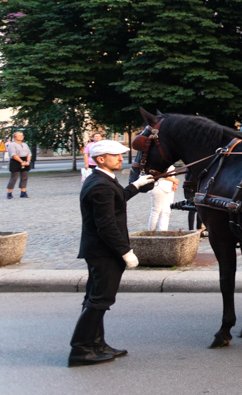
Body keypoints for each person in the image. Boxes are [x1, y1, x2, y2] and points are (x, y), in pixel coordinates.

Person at [69, 140, 154, 367]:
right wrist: (125, 251)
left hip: (100, 250)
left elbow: (116, 200)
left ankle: (97, 344)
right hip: (103, 251)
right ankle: (80, 349)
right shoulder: (100, 184)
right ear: (100, 159)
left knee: (97, 298)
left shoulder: (103, 180)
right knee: (100, 300)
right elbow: (105, 225)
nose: (120, 158)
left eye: (120, 155)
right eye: (115, 155)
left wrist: (135, 186)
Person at [5, 131, 31, 199]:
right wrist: (21, 161)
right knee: (14, 178)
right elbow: (13, 154)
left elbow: (29, 153)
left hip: (25, 160)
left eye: (22, 135)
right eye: (19, 135)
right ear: (14, 137)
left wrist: (28, 161)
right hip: (16, 161)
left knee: (24, 178)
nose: (21, 137)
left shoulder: (25, 144)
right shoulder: (12, 144)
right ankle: (9, 193)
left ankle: (23, 192)